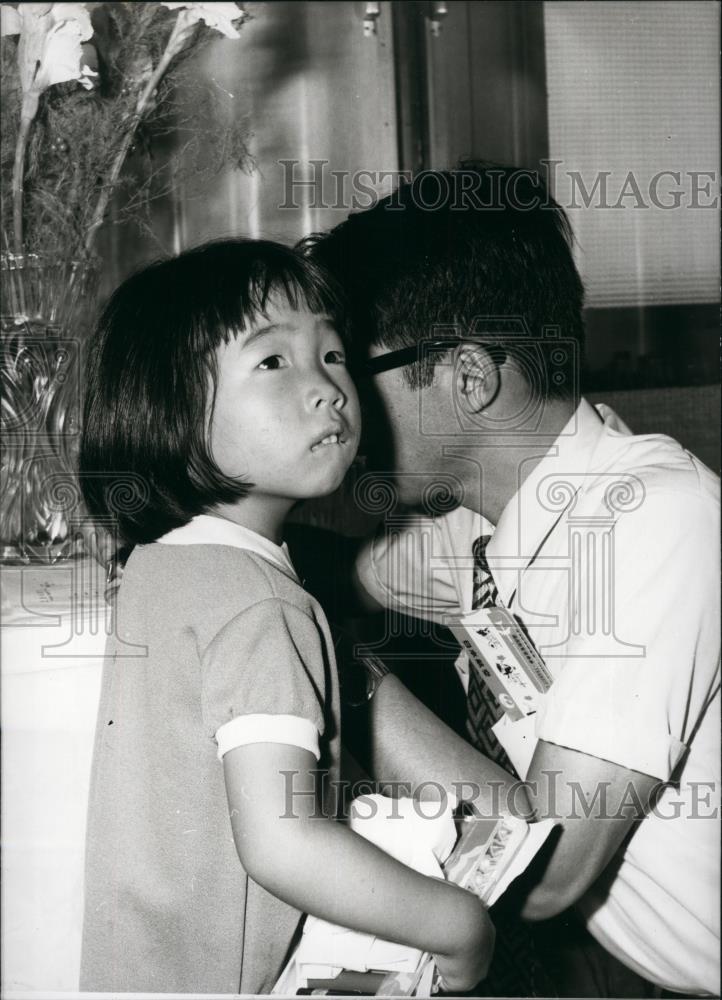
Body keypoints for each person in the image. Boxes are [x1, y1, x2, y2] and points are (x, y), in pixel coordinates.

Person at [303, 164, 721, 997]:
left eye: (353, 371)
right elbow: (342, 552)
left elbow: (550, 865)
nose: (336, 404)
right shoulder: (481, 525)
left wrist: (334, 673)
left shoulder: (657, 520)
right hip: (606, 966)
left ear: (468, 377)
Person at [77, 239, 498, 995]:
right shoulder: (263, 603)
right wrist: (459, 924)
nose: (327, 388)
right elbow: (282, 842)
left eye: (333, 356)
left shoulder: (156, 566)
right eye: (273, 362)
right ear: (170, 406)